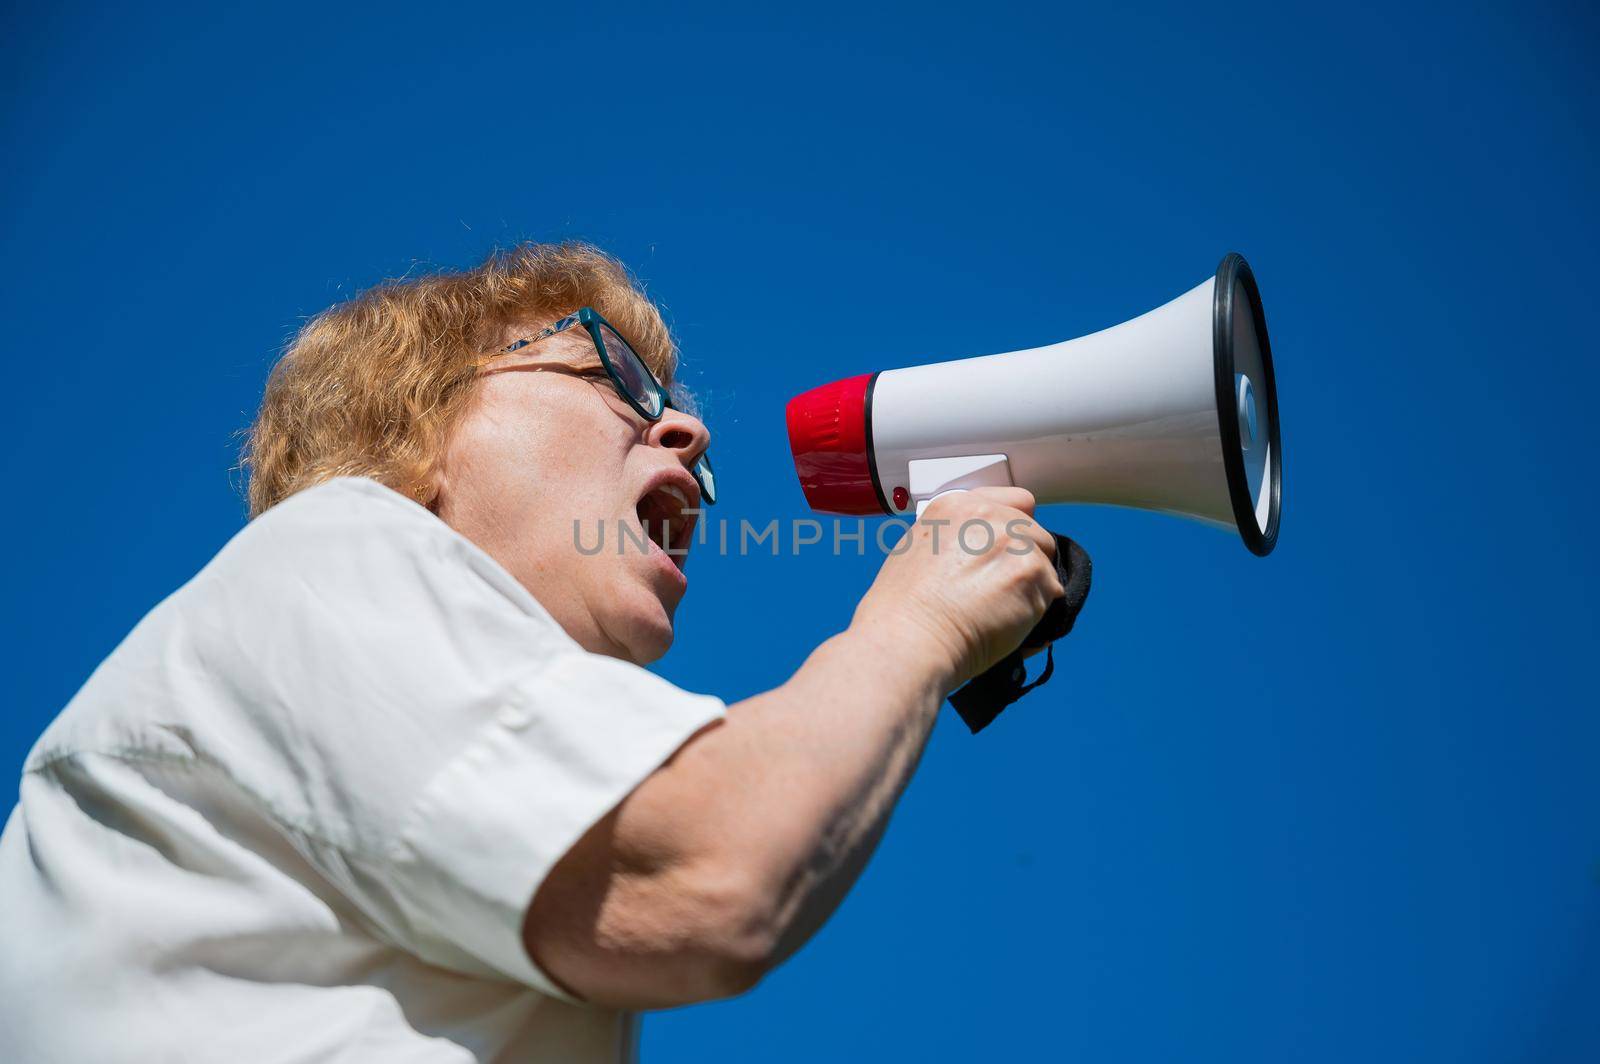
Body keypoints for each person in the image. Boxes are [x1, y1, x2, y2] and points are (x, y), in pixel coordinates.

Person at [0, 242, 1063, 1062]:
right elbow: (711, 872)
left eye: (679, 412)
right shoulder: (332, 548)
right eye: (615, 379)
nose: (686, 434)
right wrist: (918, 624)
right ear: (410, 427)